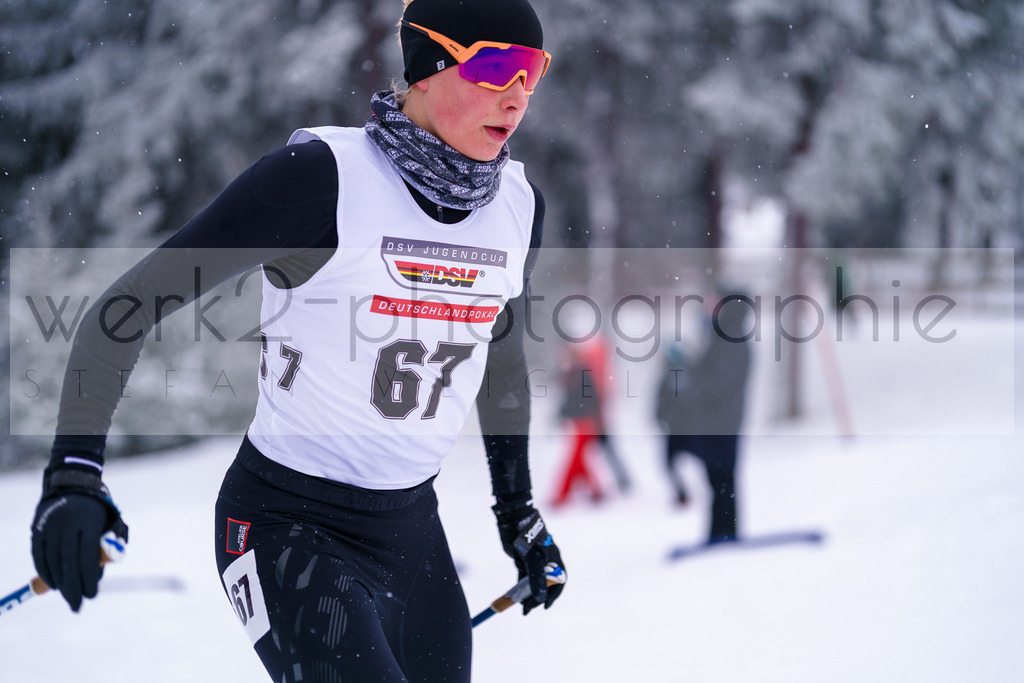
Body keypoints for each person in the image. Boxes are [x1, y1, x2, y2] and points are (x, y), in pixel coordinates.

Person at [28, 0, 565, 680]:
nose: (518, 95)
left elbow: (501, 354)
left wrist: (517, 510)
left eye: (532, 72)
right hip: (286, 523)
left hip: (411, 531)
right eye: (496, 66)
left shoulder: (518, 208)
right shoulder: (320, 180)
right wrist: (74, 472)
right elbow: (126, 307)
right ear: (428, 66)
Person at [656, 291, 752, 543]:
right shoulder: (719, 337)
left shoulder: (732, 339)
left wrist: (690, 377)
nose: (709, 308)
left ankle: (725, 535)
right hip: (713, 423)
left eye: (715, 303)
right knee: (717, 482)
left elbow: (719, 385)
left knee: (723, 483)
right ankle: (719, 534)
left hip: (722, 425)